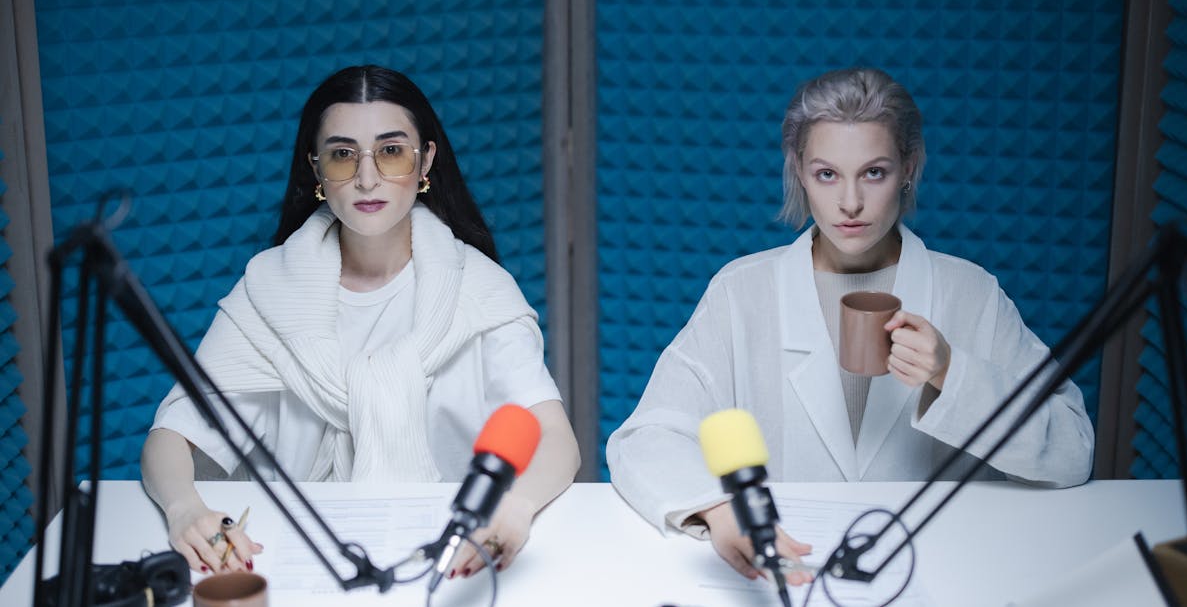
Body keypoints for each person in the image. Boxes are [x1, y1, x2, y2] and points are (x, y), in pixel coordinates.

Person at [606, 67, 1095, 586]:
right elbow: (644, 438)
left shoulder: (970, 293)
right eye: (827, 174)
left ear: (908, 167)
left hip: (936, 578)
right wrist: (721, 513)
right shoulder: (741, 292)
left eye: (874, 172)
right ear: (799, 171)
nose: (851, 203)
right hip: (789, 577)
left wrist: (953, 374)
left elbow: (1072, 451)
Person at [141, 65, 581, 579]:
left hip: (449, 557)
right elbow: (169, 437)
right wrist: (185, 510)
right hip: (292, 556)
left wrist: (516, 507)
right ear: (318, 171)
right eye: (343, 154)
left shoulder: (478, 290)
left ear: (425, 162)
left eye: (391, 151)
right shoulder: (269, 292)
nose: (367, 178)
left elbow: (557, 438)